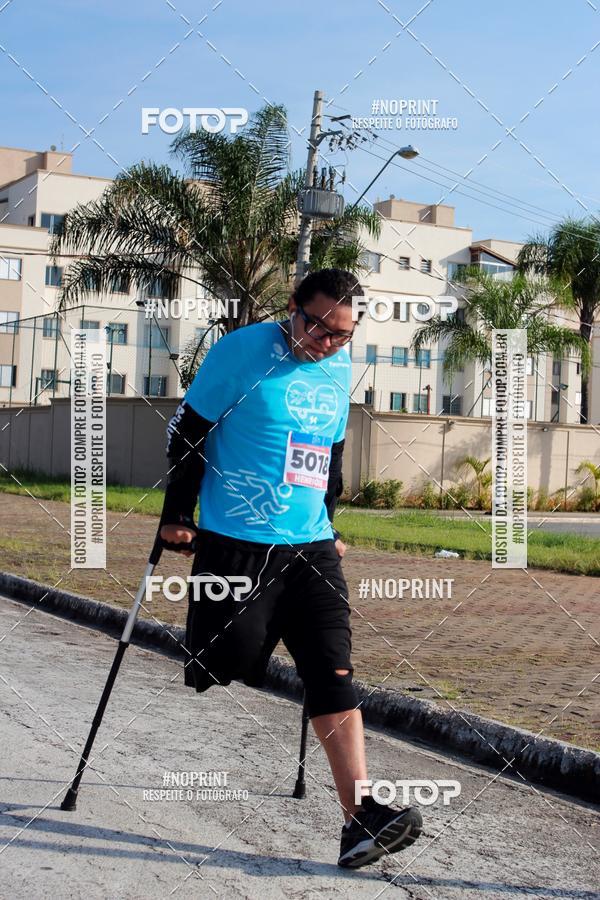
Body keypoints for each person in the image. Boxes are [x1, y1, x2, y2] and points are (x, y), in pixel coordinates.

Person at [158, 268, 422, 868]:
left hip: (311, 549)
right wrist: (176, 514)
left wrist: (329, 523)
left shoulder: (337, 365)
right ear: (292, 308)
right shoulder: (242, 351)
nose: (327, 342)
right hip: (235, 541)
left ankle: (361, 819)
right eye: (319, 327)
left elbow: (327, 451)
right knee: (224, 660)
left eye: (342, 335)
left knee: (333, 671)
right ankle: (216, 648)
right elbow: (189, 433)